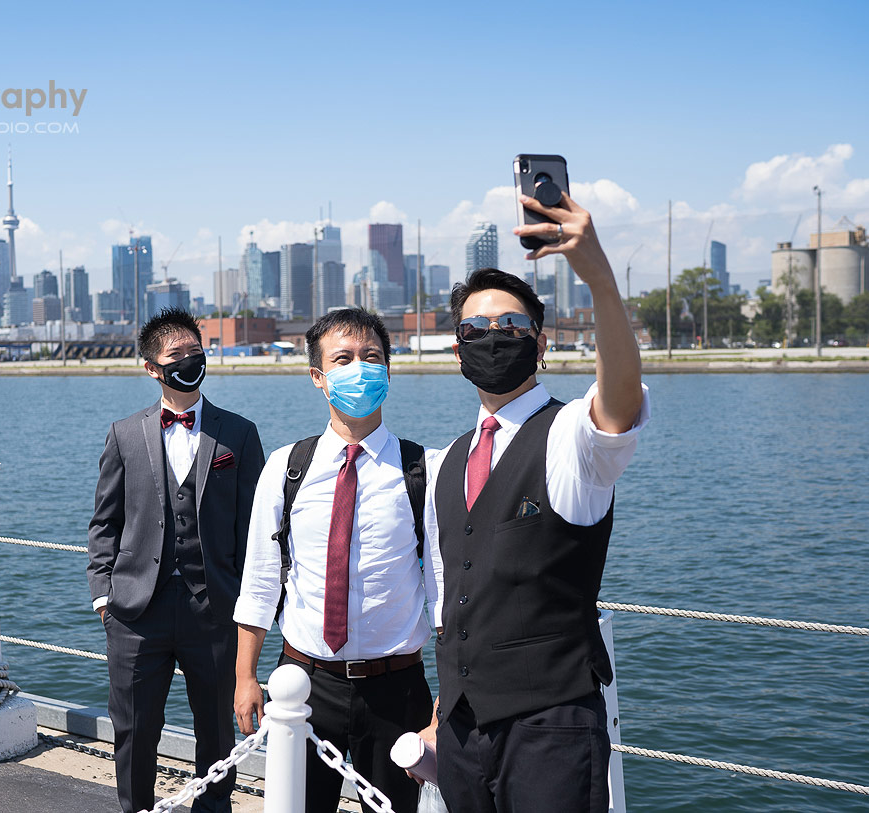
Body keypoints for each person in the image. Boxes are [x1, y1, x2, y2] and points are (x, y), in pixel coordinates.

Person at [420, 192, 650, 813]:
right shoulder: (446, 464)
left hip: (551, 727)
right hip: (463, 730)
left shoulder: (573, 436)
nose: (494, 339)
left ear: (540, 343)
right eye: (476, 330)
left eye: (511, 327)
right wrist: (443, 711)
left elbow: (621, 401)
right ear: (457, 351)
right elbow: (451, 599)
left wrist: (598, 275)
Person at [233, 308, 436, 813]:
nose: (360, 369)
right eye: (343, 359)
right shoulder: (287, 467)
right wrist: (245, 677)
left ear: (390, 371)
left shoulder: (424, 470)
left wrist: (446, 698)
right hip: (303, 681)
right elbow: (260, 581)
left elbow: (443, 588)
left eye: (372, 357)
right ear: (319, 378)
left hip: (397, 687)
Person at [87, 307, 264, 813]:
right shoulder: (124, 434)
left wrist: (253, 601)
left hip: (215, 612)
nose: (189, 362)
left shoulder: (239, 434)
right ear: (151, 367)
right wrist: (104, 595)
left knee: (215, 734)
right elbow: (105, 522)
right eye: (176, 356)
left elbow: (256, 527)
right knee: (135, 731)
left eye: (195, 352)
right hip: (136, 613)